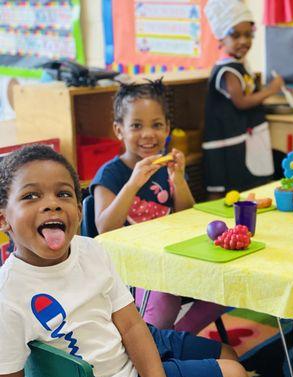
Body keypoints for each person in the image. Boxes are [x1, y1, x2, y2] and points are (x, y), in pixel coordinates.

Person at [0, 145, 248, 377]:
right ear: (3, 218)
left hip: (128, 343)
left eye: (63, 194)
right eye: (31, 196)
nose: (51, 204)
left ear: (78, 209)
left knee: (229, 355)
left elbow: (130, 326)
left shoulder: (91, 249)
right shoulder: (7, 296)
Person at [91, 79, 226, 333]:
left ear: (167, 129)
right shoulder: (111, 173)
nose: (148, 134)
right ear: (119, 130)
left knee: (225, 285)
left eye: (157, 125)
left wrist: (179, 179)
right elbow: (105, 227)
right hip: (132, 269)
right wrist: (132, 184)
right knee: (166, 300)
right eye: (136, 126)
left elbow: (187, 216)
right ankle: (150, 347)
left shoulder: (166, 168)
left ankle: (172, 341)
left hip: (172, 258)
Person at [203, 0, 285, 197]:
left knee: (247, 188)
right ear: (221, 38)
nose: (243, 41)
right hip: (229, 142)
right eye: (235, 35)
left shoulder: (239, 65)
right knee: (226, 191)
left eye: (248, 35)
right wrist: (271, 90)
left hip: (241, 139)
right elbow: (240, 102)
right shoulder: (228, 70)